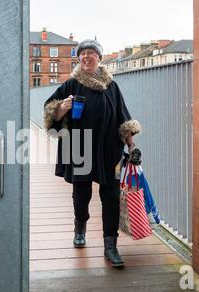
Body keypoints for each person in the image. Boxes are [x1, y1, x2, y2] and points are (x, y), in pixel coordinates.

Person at [43, 39, 141, 268]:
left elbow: (123, 118)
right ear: (79, 59)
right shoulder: (71, 84)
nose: (86, 57)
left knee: (111, 197)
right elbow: (50, 113)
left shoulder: (111, 86)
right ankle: (80, 227)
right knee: (81, 193)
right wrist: (61, 109)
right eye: (82, 54)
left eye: (91, 53)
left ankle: (110, 246)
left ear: (99, 57)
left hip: (109, 148)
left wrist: (132, 146)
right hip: (80, 145)